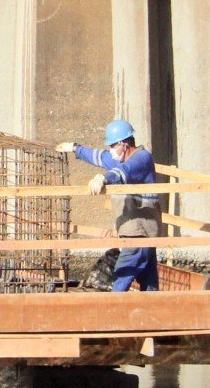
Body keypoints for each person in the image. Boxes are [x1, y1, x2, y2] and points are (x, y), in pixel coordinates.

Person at [57, 119, 162, 292]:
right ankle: (154, 315)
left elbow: (123, 172)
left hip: (139, 231)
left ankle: (111, 313)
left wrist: (103, 178)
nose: (111, 150)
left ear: (124, 144)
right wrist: (75, 148)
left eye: (113, 146)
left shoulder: (142, 158)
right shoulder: (123, 158)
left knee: (122, 274)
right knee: (149, 281)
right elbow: (100, 157)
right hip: (140, 230)